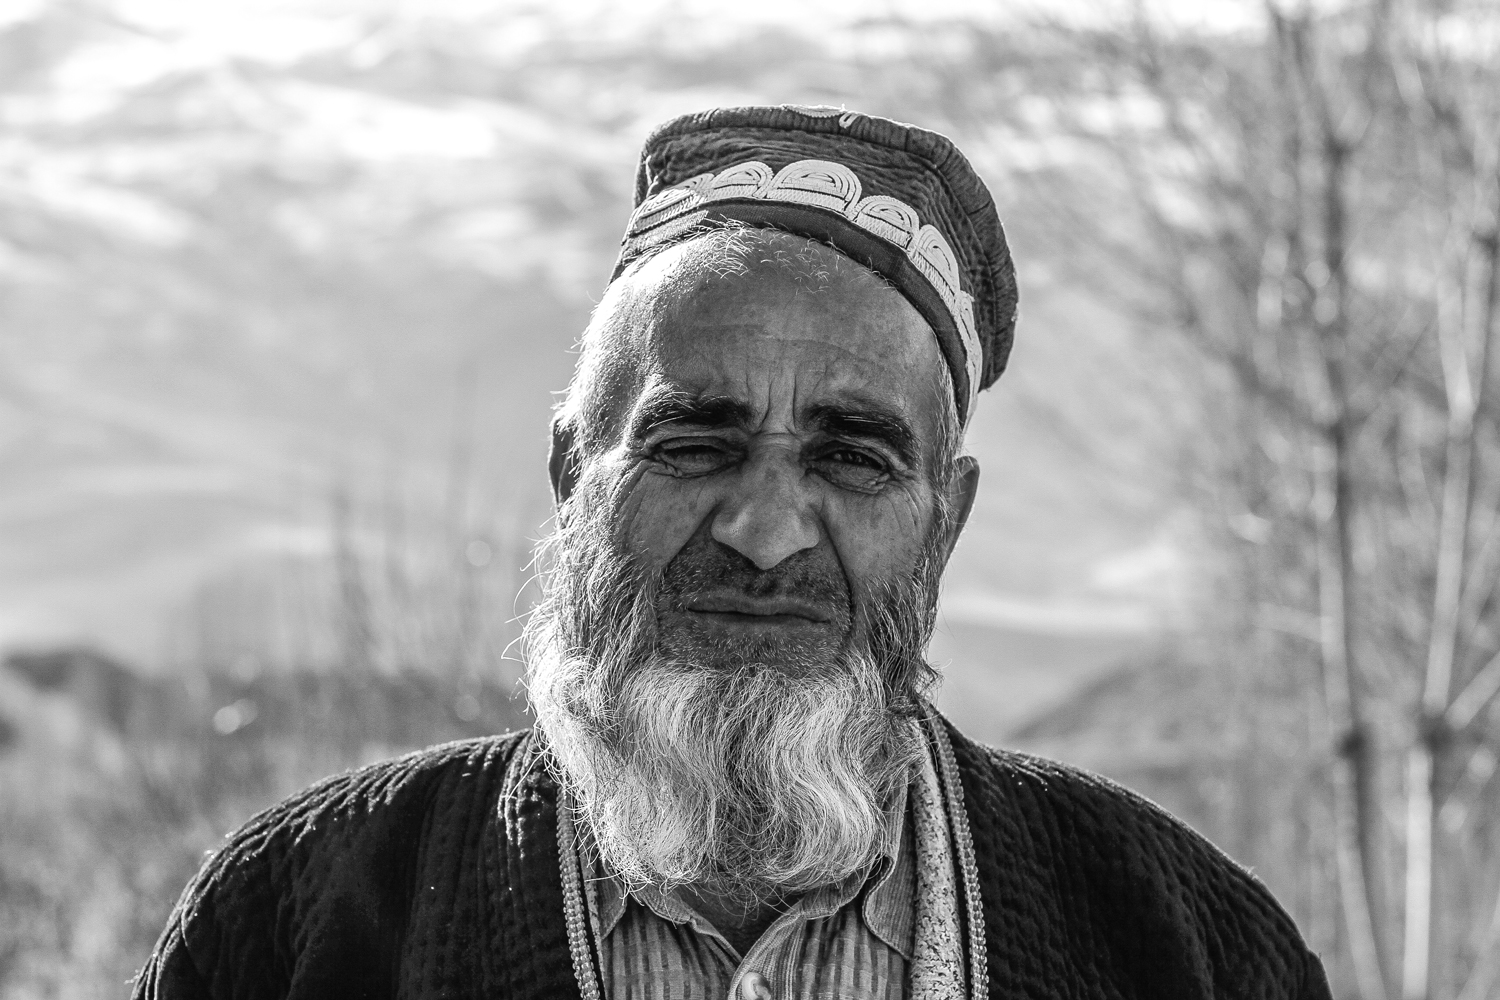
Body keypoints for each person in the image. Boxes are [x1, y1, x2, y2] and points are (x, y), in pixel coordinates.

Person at [133, 106, 1331, 1000]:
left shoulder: (1183, 942)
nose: (765, 529)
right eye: (695, 443)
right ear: (572, 479)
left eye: (852, 457)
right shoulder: (296, 920)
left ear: (945, 522)